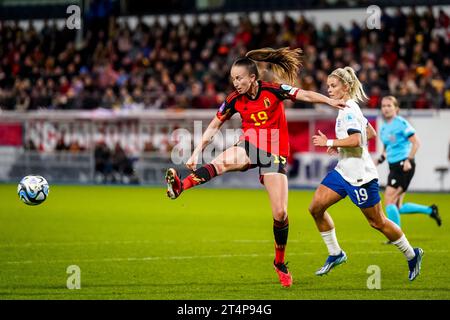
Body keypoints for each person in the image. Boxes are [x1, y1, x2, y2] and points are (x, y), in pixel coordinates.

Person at [165, 47, 345, 287]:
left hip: (275, 152)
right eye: (232, 79)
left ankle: (279, 263)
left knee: (280, 213)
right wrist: (197, 152)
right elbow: (213, 126)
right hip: (251, 145)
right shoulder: (233, 100)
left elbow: (305, 95)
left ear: (252, 78)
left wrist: (329, 100)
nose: (235, 83)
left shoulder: (273, 90)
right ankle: (181, 186)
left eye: (239, 78)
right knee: (221, 162)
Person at [310, 67, 424, 281]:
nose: (329, 89)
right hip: (343, 171)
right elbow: (369, 133)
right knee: (316, 208)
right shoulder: (346, 109)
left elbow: (356, 139)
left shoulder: (350, 109)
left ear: (346, 87)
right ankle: (335, 253)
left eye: (333, 86)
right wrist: (340, 148)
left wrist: (330, 142)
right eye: (328, 86)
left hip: (360, 177)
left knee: (377, 222)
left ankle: (412, 254)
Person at [376, 96, 441, 228]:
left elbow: (416, 143)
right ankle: (430, 210)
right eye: (383, 106)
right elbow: (387, 148)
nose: (386, 108)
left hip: (403, 166)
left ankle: (396, 237)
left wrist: (408, 160)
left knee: (389, 201)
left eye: (389, 106)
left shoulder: (401, 123)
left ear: (396, 109)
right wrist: (379, 159)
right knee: (397, 206)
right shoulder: (383, 128)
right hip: (393, 166)